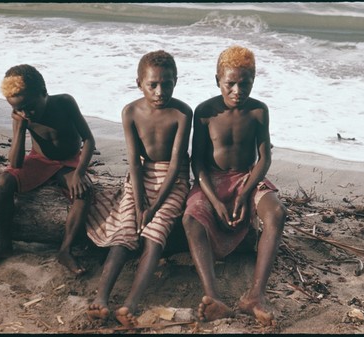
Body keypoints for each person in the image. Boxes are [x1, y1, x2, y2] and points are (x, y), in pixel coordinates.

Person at [85, 50, 192, 327]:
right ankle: (101, 297)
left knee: (155, 235)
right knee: (125, 231)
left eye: (166, 84)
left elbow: (177, 163)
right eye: (152, 84)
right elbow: (133, 159)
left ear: (176, 81)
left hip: (173, 178)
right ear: (139, 83)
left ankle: (130, 304)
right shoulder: (130, 111)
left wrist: (154, 207)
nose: (160, 91)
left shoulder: (182, 112)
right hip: (141, 175)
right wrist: (139, 198)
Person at [182, 45, 287, 327]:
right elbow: (199, 163)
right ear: (218, 80)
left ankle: (256, 294)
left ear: (254, 81)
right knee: (191, 221)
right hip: (212, 179)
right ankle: (213, 297)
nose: (238, 90)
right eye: (231, 83)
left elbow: (264, 158)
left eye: (245, 83)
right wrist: (215, 202)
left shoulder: (258, 111)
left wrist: (244, 194)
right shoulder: (204, 112)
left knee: (276, 213)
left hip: (247, 178)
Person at [0, 64, 96, 275]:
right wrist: (20, 129)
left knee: (84, 191)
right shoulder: (21, 117)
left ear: (44, 92)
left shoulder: (64, 103)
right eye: (17, 109)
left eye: (30, 107)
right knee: (4, 182)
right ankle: (4, 243)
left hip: (69, 161)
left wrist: (79, 173)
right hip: (39, 160)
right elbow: (16, 164)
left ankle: (65, 250)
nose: (25, 113)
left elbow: (88, 139)